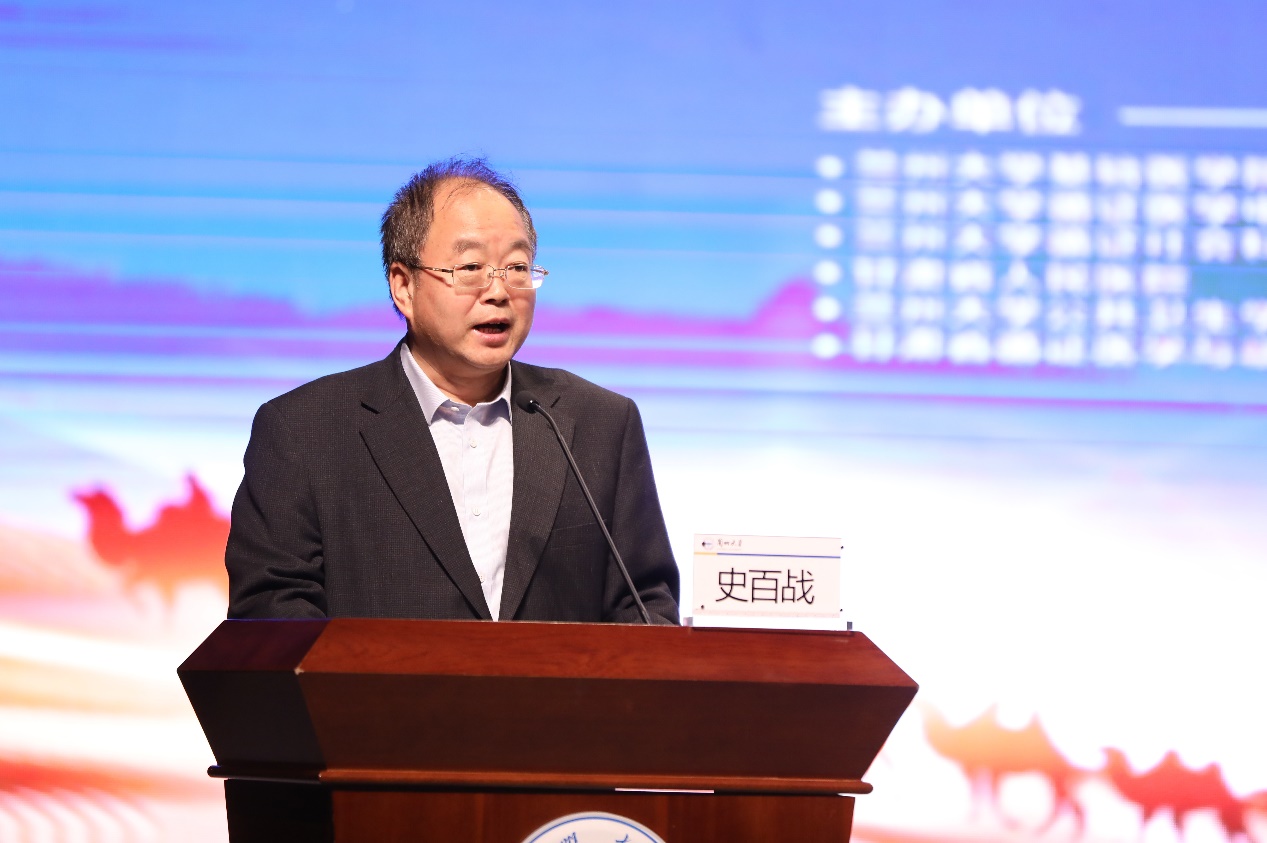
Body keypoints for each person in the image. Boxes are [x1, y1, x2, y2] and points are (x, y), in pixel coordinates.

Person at [225, 157, 679, 623]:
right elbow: (273, 615)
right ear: (403, 287)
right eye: (471, 267)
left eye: (517, 267)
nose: (498, 291)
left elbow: (645, 608)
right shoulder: (303, 431)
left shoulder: (600, 423)